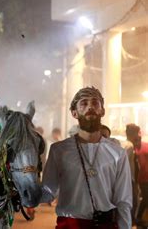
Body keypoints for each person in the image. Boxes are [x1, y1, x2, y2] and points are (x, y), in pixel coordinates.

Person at [42, 87, 132, 228]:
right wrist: (24, 189)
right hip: (70, 225)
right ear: (74, 113)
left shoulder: (117, 152)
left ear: (102, 110)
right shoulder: (59, 150)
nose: (90, 106)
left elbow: (123, 200)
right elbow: (48, 192)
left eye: (95, 103)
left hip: (107, 225)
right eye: (84, 103)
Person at [126, 124, 148, 227]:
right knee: (142, 198)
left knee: (141, 198)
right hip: (137, 178)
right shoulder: (129, 146)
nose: (139, 135)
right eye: (137, 132)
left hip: (140, 178)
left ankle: (137, 218)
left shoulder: (143, 145)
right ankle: (136, 218)